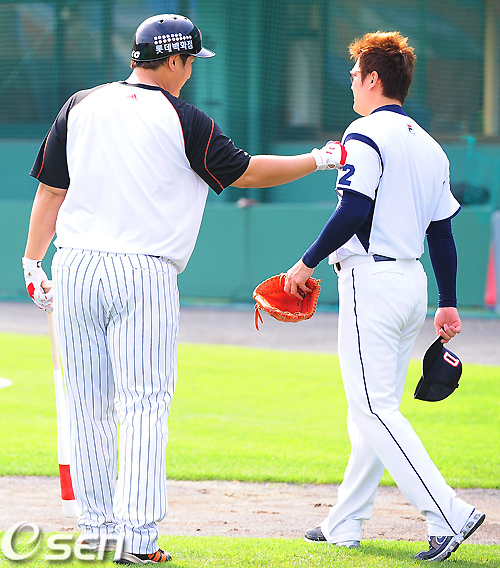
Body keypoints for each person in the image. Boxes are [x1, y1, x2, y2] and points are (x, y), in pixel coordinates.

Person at [21, 13, 346, 565]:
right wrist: (318, 159)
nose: (192, 70)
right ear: (172, 59)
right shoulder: (183, 118)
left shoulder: (80, 104)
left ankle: (97, 533)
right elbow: (247, 172)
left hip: (74, 266)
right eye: (190, 60)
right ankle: (136, 541)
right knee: (143, 405)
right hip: (142, 271)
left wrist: (32, 261)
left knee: (87, 406)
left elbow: (52, 192)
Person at [284, 31, 485, 562]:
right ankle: (344, 524)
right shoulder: (430, 145)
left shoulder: (364, 132)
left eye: (355, 73)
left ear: (374, 79)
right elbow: (442, 232)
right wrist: (448, 300)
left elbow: (353, 209)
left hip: (370, 282)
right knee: (371, 411)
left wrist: (305, 263)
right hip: (411, 284)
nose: (351, 80)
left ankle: (448, 513)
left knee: (373, 409)